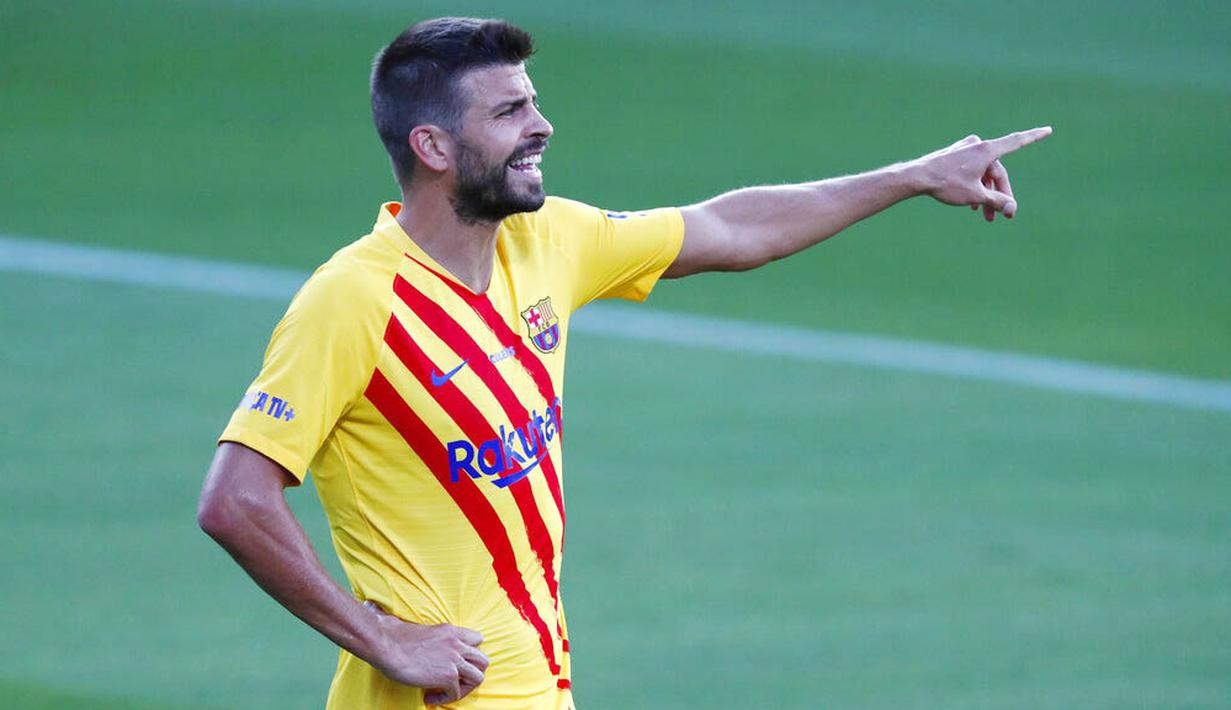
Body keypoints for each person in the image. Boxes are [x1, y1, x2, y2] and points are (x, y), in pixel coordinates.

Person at [195, 16, 1050, 710]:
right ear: (433, 147)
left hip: (532, 686)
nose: (542, 125)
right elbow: (234, 501)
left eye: (533, 102)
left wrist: (911, 176)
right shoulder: (353, 299)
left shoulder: (546, 240)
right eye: (508, 112)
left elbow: (730, 228)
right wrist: (384, 640)